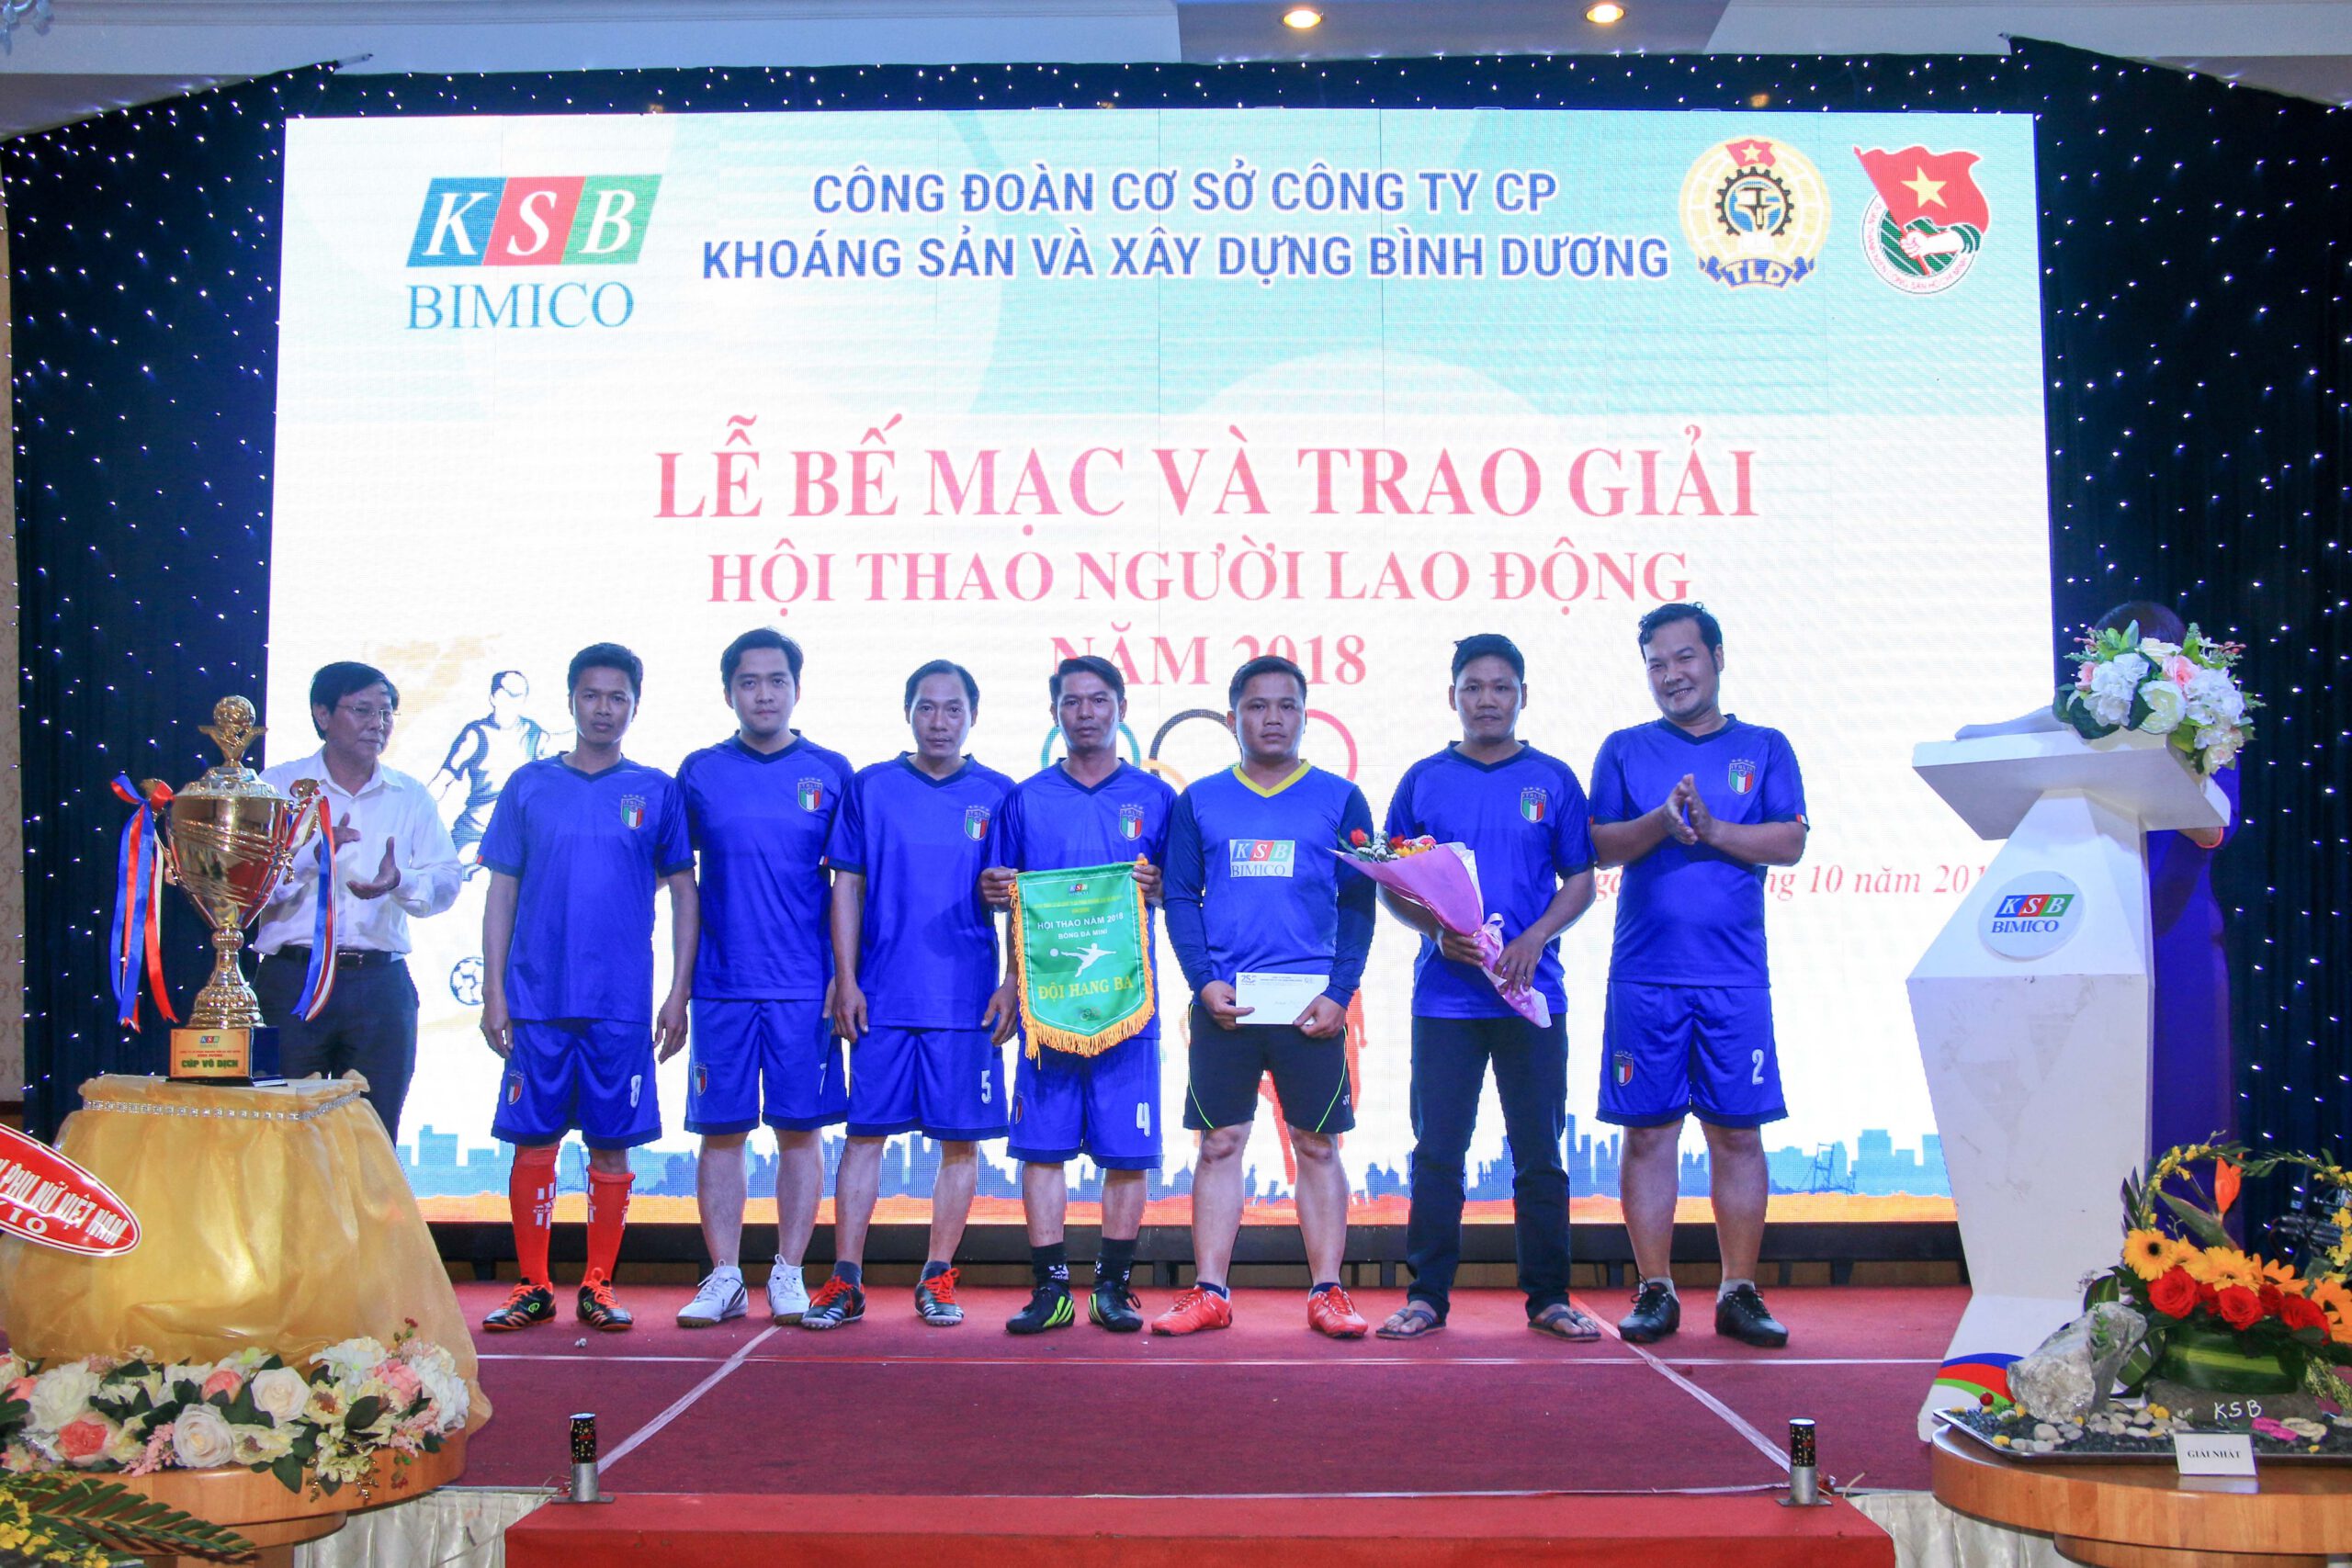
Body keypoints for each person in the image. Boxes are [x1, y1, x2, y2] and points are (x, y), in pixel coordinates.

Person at [1589, 604, 1806, 1348]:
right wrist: (1663, 820)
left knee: (1738, 1134)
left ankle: (1738, 1290)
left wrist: (1712, 828)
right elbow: (1600, 844)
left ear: (1716, 657)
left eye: (1684, 657)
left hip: (1734, 979)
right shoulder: (1624, 748)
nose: (1671, 674)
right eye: (1657, 662)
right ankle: (1655, 1287)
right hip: (1645, 976)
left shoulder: (1765, 746)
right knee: (1648, 1134)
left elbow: (1790, 841)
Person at [1373, 634, 1600, 1342]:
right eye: (1473, 687)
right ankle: (1426, 1297)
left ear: (1523, 695)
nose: (1487, 699)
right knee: (1438, 1150)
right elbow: (1391, 880)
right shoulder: (1422, 780)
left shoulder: (1553, 779)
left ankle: (1550, 1298)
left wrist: (1538, 937)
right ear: (1453, 696)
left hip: (1532, 995)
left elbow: (1582, 878)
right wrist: (1436, 932)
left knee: (1540, 1153)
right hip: (1446, 999)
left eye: (1502, 687)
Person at [1954, 599, 2239, 1159]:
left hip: (2175, 936)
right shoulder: (2085, 726)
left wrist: (2159, 755)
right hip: (2089, 930)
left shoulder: (2208, 732)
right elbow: (1973, 738)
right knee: (2091, 1100)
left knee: (2184, 1096)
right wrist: (2083, 722)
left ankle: (2184, 1218)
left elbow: (2213, 832)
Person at [477, 644, 697, 1335]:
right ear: (571, 699)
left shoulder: (657, 790)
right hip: (537, 998)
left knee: (612, 1146)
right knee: (532, 1144)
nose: (604, 709)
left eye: (618, 698)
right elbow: (501, 892)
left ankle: (599, 1282)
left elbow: (684, 893)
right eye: (592, 695)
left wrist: (677, 993)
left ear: (635, 705)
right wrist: (493, 990)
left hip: (620, 1004)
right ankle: (533, 1283)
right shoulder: (528, 785)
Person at [1156, 655, 1377, 1338]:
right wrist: (1202, 980)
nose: (1272, 717)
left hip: (1312, 1004)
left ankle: (1328, 1291)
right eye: (1257, 706)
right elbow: (1179, 896)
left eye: (1287, 705)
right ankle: (1210, 1291)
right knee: (1219, 1143)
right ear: (1232, 719)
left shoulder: (1341, 798)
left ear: (1306, 715)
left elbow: (1359, 903)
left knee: (1317, 1145)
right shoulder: (1199, 801)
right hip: (1226, 1001)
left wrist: (1340, 991)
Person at [804, 660, 1015, 1329]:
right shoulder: (871, 787)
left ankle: (938, 1274)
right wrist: (846, 978)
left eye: (954, 709)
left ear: (973, 716)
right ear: (907, 713)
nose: (940, 722)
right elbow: (846, 886)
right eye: (927, 707)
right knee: (864, 1136)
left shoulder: (1000, 794)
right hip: (883, 997)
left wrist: (1013, 981)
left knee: (960, 1145)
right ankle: (845, 1278)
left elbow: (1023, 898)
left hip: (966, 1000)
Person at [979, 656, 1175, 1334]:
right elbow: (1008, 899)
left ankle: (1113, 1288)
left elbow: (1183, 890)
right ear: (1055, 712)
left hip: (1129, 1002)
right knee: (1041, 1147)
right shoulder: (1026, 798)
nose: (1085, 712)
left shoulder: (1156, 798)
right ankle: (1052, 1289)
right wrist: (1011, 979)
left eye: (1098, 700)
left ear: (1121, 707)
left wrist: (1161, 886)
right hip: (1046, 1006)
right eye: (1072, 701)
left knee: (1128, 1150)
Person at [673, 629, 854, 1329]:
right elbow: (678, 883)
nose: (764, 694)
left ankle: (788, 1270)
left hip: (804, 986)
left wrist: (843, 975)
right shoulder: (699, 771)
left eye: (777, 680)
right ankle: (724, 1274)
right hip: (721, 982)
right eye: (749, 682)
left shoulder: (831, 771)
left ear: (796, 689)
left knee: (799, 1132)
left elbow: (848, 885)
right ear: (729, 692)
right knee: (720, 1133)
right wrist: (678, 986)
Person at [255, 661, 463, 1142]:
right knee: (280, 1133)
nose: (378, 724)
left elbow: (447, 881)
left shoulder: (409, 795)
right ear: (323, 714)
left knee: (374, 1136)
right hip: (291, 981)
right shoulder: (279, 786)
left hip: (379, 984)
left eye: (386, 713)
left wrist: (400, 880)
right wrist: (313, 857)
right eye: (363, 710)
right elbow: (253, 887)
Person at [431, 670, 560, 875]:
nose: (514, 699)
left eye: (520, 695)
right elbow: (442, 780)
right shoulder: (476, 734)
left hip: (520, 835)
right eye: (509, 693)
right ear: (493, 697)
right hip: (474, 832)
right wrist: (414, 813)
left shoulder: (535, 735)